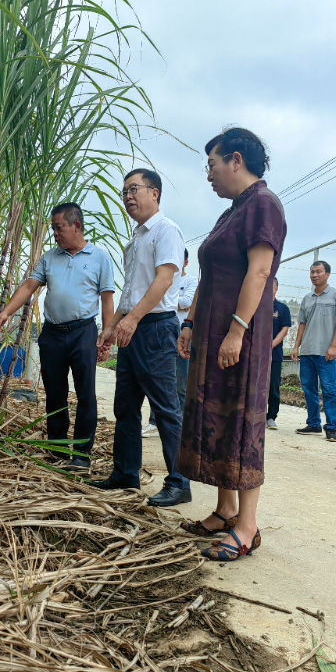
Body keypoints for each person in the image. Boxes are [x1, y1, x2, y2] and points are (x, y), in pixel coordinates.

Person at [177, 127, 287, 561]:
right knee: (217, 416)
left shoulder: (263, 204)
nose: (209, 174)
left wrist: (237, 330)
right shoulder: (233, 211)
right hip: (213, 332)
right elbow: (209, 276)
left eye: (212, 164)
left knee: (241, 420)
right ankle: (224, 510)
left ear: (236, 160)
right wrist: (189, 323)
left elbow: (259, 272)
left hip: (240, 336)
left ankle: (247, 526)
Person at [92, 168, 191, 507]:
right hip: (132, 330)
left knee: (165, 408)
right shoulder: (136, 239)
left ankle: (179, 482)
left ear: (155, 193)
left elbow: (164, 280)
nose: (128, 196)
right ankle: (125, 473)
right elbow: (129, 294)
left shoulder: (166, 230)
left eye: (134, 189)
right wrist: (111, 328)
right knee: (126, 407)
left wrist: (132, 320)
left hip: (156, 329)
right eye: (124, 192)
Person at [0, 202, 115, 471]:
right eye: (54, 229)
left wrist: (106, 335)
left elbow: (107, 300)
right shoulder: (49, 257)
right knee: (55, 394)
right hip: (52, 335)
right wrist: (6, 312)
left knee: (86, 395)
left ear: (76, 225)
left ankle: (82, 455)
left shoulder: (99, 257)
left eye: (59, 228)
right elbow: (29, 286)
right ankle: (58, 449)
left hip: (83, 332)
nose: (56, 234)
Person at [142, 248, 199, 437]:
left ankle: (177, 424)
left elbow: (189, 301)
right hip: (160, 332)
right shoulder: (160, 277)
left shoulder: (190, 281)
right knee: (156, 379)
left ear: (185, 263)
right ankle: (154, 422)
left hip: (182, 334)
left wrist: (162, 297)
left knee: (180, 381)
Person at [290, 261, 336, 442]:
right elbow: (302, 324)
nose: (315, 275)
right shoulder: (307, 298)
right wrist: (296, 346)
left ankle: (331, 427)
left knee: (329, 390)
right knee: (309, 388)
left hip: (325, 352)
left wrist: (333, 346)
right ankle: (313, 424)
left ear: (327, 274)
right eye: (312, 272)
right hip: (307, 351)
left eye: (319, 272)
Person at [266, 277, 291, 429]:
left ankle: (271, 417)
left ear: (276, 288)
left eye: (270, 286)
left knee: (273, 386)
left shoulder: (282, 308)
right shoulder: (256, 306)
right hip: (256, 354)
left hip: (274, 355)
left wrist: (270, 346)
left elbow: (284, 329)